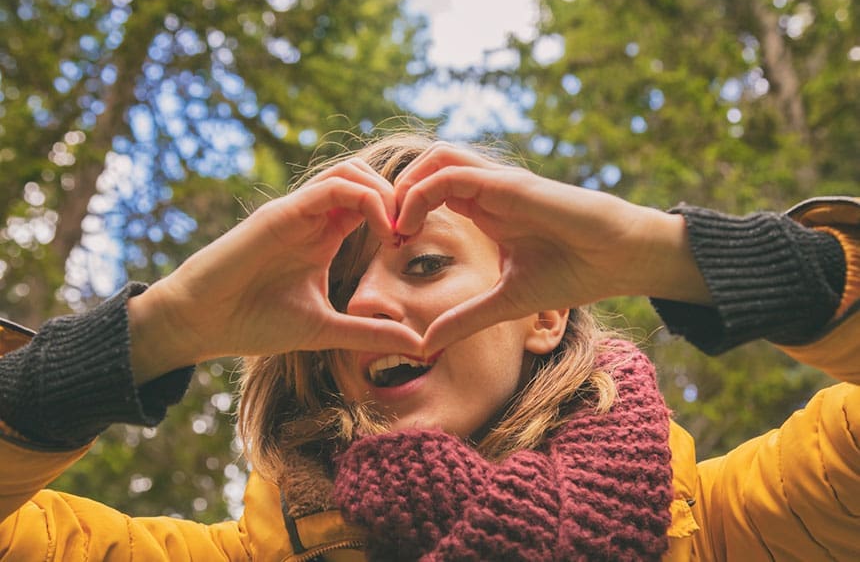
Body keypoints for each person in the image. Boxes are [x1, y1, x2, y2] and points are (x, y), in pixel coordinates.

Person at [0, 132, 858, 560]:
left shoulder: (724, 527)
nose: (369, 301)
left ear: (544, 315)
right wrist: (165, 329)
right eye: (339, 291)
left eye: (427, 262)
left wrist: (681, 259)